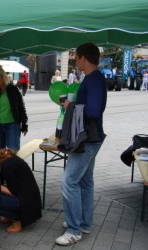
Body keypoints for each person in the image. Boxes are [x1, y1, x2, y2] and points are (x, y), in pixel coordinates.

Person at [55, 43, 107, 246]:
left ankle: (74, 229)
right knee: (85, 182)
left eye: (76, 58)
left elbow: (93, 111)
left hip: (87, 139)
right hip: (92, 137)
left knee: (69, 181)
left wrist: (71, 105)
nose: (76, 61)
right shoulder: (95, 78)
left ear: (84, 58)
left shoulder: (93, 79)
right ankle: (84, 223)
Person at [0, 143, 42, 233]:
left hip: (28, 204)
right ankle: (11, 216)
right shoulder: (4, 160)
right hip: (28, 199)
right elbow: (0, 182)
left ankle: (18, 219)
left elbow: (13, 191)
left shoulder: (7, 165)